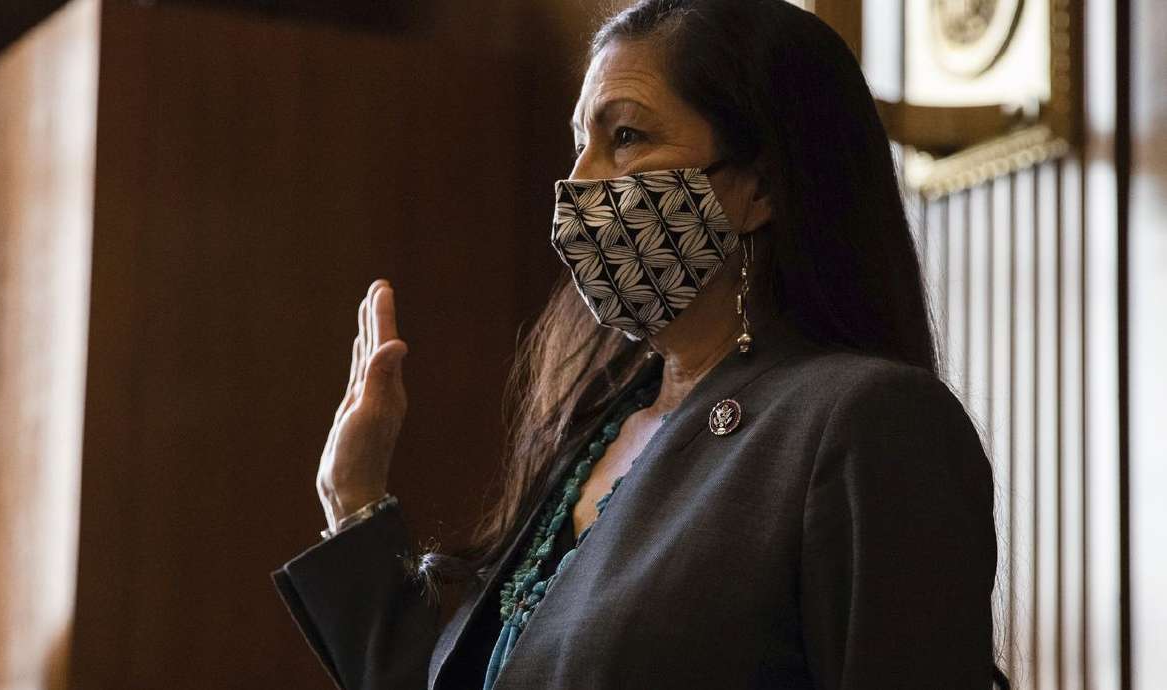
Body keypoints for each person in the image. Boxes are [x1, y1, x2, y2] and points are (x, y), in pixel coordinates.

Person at [271, 1, 1011, 688]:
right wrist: (353, 499)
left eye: (626, 137)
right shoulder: (595, 427)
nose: (578, 182)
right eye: (579, 144)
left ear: (758, 188)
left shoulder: (866, 423)